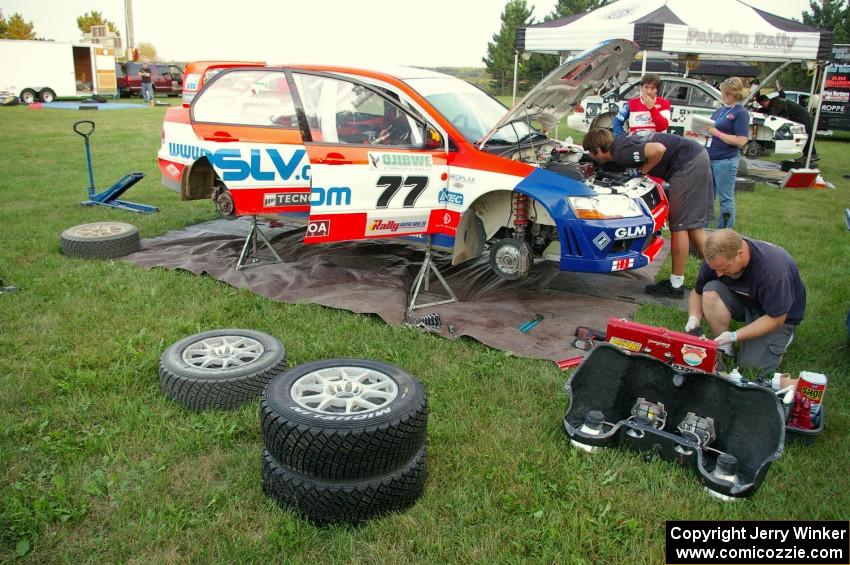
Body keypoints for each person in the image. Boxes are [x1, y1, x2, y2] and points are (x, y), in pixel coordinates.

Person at [583, 128, 711, 297]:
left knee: (680, 226)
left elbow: (658, 149)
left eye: (591, 154)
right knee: (692, 226)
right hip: (695, 156)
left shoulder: (620, 153)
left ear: (598, 150)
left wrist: (642, 170)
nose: (592, 158)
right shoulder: (620, 144)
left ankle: (676, 286)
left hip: (687, 163)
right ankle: (718, 271)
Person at [686, 229, 806, 375]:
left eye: (724, 268)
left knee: (751, 368)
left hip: (776, 316)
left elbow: (777, 318)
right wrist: (693, 317)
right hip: (747, 300)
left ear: (739, 254)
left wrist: (735, 335)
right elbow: (697, 293)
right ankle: (724, 348)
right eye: (715, 269)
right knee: (710, 291)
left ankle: (782, 340)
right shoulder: (717, 259)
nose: (718, 274)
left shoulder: (772, 270)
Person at [706, 77, 749, 229]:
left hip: (726, 160)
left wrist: (717, 133)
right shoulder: (720, 110)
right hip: (711, 157)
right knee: (708, 195)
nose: (724, 96)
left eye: (727, 94)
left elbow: (741, 141)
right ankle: (705, 228)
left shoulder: (741, 113)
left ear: (734, 95)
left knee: (725, 197)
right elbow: (710, 128)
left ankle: (724, 231)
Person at [755, 93, 817, 162]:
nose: (763, 106)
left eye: (762, 105)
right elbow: (766, 110)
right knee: (803, 135)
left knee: (806, 134)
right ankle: (806, 155)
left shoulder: (777, 103)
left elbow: (772, 114)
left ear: (766, 101)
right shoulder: (773, 103)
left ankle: (812, 154)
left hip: (802, 115)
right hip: (796, 116)